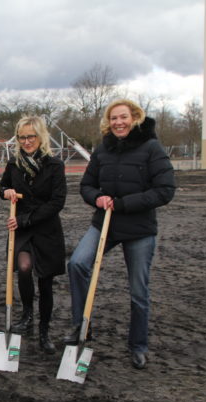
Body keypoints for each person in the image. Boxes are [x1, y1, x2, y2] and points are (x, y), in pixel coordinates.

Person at [64, 98, 176, 370]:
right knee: (77, 264)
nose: (118, 122)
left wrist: (125, 204)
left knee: (138, 290)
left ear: (135, 118)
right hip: (106, 224)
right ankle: (82, 326)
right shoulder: (104, 150)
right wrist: (98, 198)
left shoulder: (151, 148)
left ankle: (138, 345)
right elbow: (87, 185)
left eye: (123, 117)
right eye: (114, 118)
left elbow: (164, 190)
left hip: (139, 229)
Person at [0, 116, 67, 355]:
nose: (27, 141)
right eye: (22, 137)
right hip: (23, 231)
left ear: (41, 137)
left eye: (31, 136)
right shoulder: (14, 164)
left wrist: (26, 219)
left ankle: (44, 330)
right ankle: (27, 313)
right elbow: (2, 187)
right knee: (24, 267)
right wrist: (6, 191)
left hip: (46, 229)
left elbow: (57, 202)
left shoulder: (54, 165)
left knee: (45, 280)